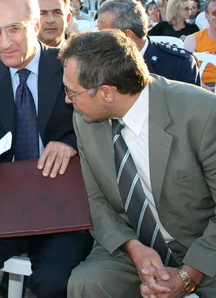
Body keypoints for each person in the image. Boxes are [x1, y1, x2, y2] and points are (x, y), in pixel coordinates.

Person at [0, 0, 93, 298]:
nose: (4, 43)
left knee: (55, 282)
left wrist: (70, 142)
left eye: (14, 29)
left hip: (64, 202)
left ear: (37, 25)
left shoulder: (73, 68)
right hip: (3, 201)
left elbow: (104, 124)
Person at [63, 30, 216, 298]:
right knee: (87, 283)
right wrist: (133, 248)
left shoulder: (203, 114)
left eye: (72, 92)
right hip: (134, 244)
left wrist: (190, 275)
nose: (68, 100)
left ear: (107, 93)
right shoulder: (85, 119)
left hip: (203, 245)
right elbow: (94, 200)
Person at [97, 0, 201, 86]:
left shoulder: (179, 64)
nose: (98, 38)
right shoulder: (96, 59)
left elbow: (191, 107)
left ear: (127, 36)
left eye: (103, 33)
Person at [184, 0, 216, 91]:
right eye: (215, 13)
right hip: (203, 87)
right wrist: (200, 85)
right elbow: (185, 70)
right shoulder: (192, 40)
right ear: (207, 16)